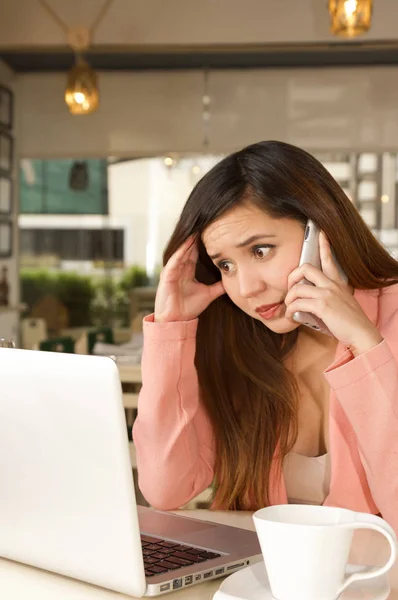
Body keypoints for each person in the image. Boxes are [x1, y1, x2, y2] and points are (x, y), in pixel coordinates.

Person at [133, 140, 398, 532]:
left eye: (260, 251)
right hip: (258, 584)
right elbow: (166, 488)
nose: (246, 289)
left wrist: (365, 344)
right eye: (225, 265)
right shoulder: (241, 343)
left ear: (320, 228)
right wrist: (170, 333)